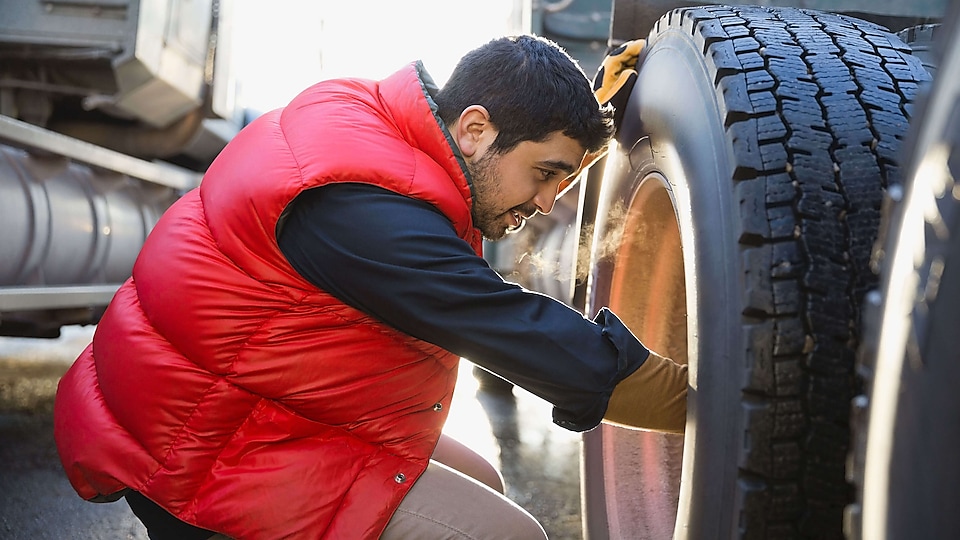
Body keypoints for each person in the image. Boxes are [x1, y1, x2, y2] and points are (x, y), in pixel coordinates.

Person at [53, 35, 685, 539]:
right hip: (206, 452)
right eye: (546, 175)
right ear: (473, 128)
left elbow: (497, 163)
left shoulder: (376, 126)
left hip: (244, 400)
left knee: (483, 477)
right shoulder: (361, 213)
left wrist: (583, 112)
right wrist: (707, 402)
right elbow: (511, 328)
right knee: (505, 533)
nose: (549, 203)